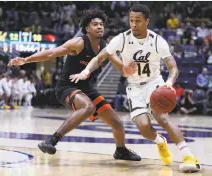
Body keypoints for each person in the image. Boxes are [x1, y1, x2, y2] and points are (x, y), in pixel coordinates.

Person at [70, 4, 201, 173]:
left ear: (147, 21)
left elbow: (173, 67)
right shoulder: (121, 39)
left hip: (154, 84)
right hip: (134, 88)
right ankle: (160, 142)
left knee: (163, 119)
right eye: (131, 20)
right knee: (144, 127)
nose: (133, 24)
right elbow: (100, 57)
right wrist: (86, 70)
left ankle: (188, 156)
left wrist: (169, 82)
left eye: (138, 21)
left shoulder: (157, 41)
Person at [8, 10, 141, 161]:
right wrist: (26, 60)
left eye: (101, 24)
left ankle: (121, 150)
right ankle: (51, 141)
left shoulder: (106, 47)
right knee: (88, 107)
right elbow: (51, 53)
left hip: (88, 89)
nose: (99, 27)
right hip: (67, 87)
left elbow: (122, 70)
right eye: (95, 24)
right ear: (87, 29)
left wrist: (128, 70)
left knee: (116, 122)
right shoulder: (78, 43)